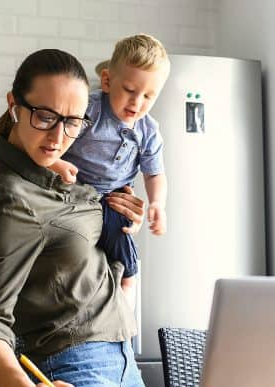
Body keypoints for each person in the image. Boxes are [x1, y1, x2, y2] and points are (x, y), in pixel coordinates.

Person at [0, 49, 152, 387]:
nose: (58, 136)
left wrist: (119, 217)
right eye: (45, 116)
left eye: (73, 122)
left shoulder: (63, 173)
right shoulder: (11, 197)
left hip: (125, 363)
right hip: (76, 369)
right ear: (14, 105)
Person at [49, 34, 171, 305]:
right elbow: (55, 140)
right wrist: (57, 163)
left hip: (114, 198)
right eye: (129, 90)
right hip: (72, 191)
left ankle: (125, 305)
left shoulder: (148, 130)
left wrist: (157, 204)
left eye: (149, 96)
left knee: (125, 256)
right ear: (107, 81)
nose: (137, 103)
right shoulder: (89, 109)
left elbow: (154, 173)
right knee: (75, 251)